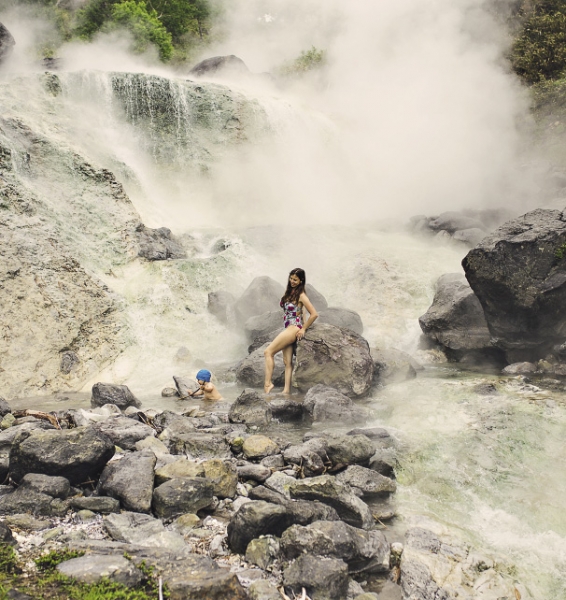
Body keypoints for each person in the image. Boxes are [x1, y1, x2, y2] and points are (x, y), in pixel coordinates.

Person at [264, 268, 318, 394]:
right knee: (287, 362)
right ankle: (286, 391)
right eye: (291, 278)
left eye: (295, 279)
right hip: (288, 327)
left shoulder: (301, 295)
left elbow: (314, 314)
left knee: (268, 352)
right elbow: (301, 311)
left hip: (294, 328)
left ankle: (267, 384)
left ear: (301, 281)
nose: (292, 281)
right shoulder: (289, 292)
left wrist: (303, 328)